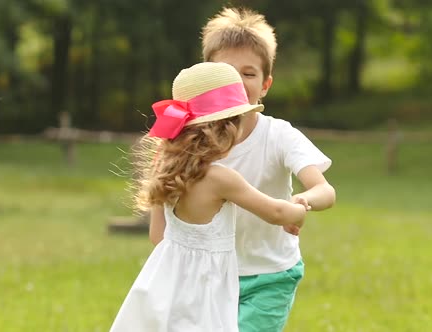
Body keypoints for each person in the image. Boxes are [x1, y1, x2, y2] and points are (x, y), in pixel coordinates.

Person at [149, 7, 337, 332]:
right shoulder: (183, 152)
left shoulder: (278, 135)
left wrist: (302, 201)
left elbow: (325, 190)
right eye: (225, 73)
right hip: (210, 277)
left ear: (265, 84)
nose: (235, 81)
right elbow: (160, 234)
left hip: (269, 274)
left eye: (247, 74)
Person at [110, 62, 308, 332]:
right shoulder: (220, 179)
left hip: (167, 286)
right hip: (207, 292)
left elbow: (158, 236)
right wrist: (299, 208)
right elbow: (276, 213)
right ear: (225, 127)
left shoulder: (164, 170)